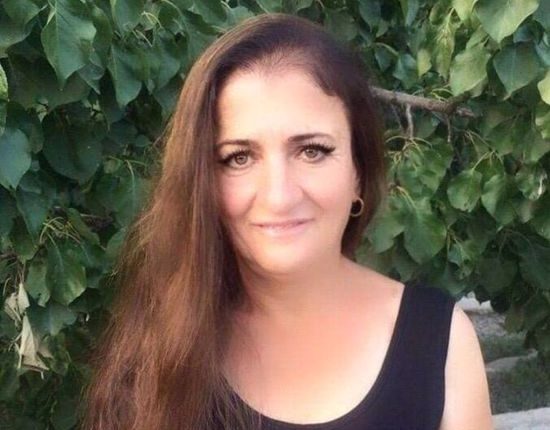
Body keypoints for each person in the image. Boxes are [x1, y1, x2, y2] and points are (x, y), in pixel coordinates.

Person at [82, 13, 493, 430]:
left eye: (312, 151)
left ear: (359, 170)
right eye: (238, 158)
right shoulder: (157, 352)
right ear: (201, 182)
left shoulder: (440, 343)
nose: (279, 197)